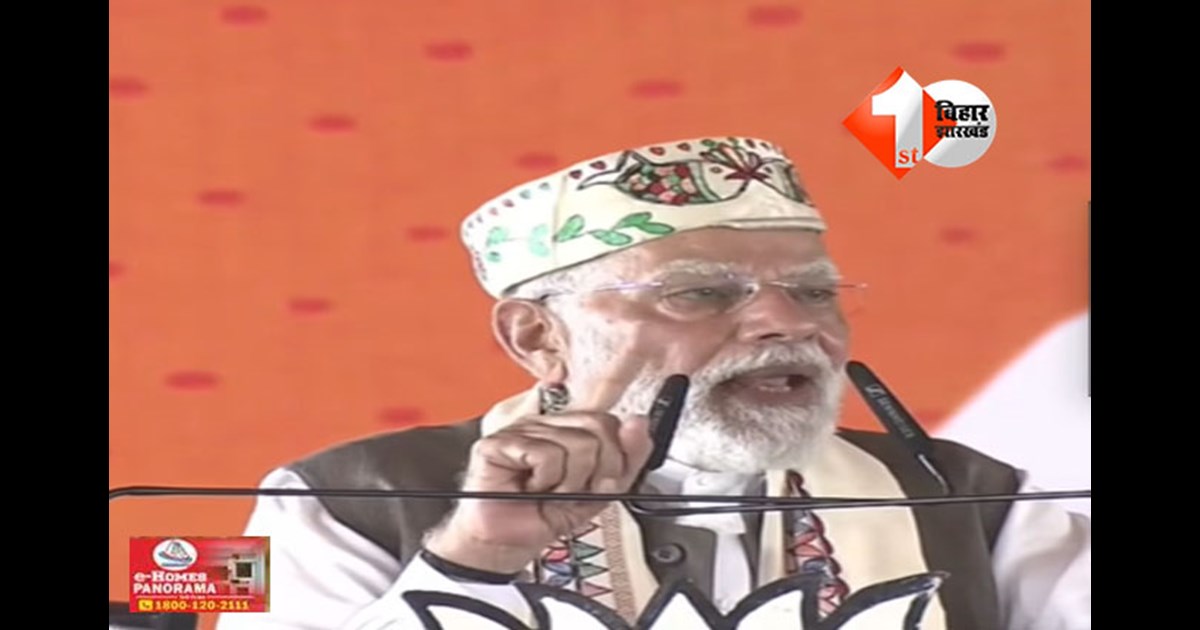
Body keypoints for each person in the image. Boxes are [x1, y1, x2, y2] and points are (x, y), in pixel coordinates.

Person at [216, 137, 1090, 630]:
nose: (788, 323)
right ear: (538, 336)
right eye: (702, 293)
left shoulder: (982, 502)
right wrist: (470, 561)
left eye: (816, 292)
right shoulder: (336, 500)